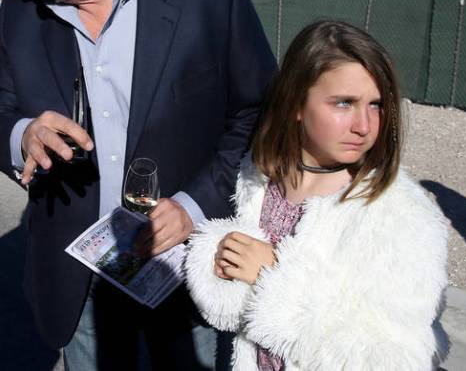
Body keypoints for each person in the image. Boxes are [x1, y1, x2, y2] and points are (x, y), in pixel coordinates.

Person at [0, 0, 275, 369]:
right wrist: (22, 135)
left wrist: (193, 206)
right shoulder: (21, 14)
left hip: (183, 274)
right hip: (78, 281)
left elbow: (256, 116)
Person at [185, 21, 449, 371]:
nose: (364, 125)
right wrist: (220, 255)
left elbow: (395, 358)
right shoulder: (258, 179)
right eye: (344, 103)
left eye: (376, 105)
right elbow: (234, 315)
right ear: (295, 102)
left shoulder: (401, 215)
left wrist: (273, 276)